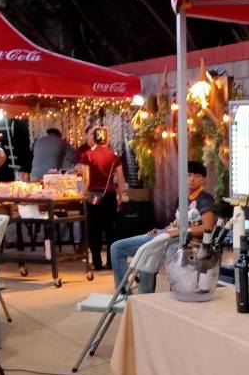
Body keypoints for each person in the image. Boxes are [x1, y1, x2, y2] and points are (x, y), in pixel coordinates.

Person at [109, 160, 216, 293]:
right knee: (123, 249)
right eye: (188, 175)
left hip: (182, 242)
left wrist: (181, 231)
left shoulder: (204, 199)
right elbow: (177, 223)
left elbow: (208, 228)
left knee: (120, 248)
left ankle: (128, 294)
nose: (192, 179)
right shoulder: (183, 198)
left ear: (204, 180)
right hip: (167, 236)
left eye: (197, 176)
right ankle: (139, 294)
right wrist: (163, 229)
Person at [76, 126, 125, 270]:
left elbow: (86, 179)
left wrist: (82, 193)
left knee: (94, 230)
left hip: (92, 196)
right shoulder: (114, 156)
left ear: (94, 139)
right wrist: (120, 197)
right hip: (109, 195)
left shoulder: (87, 155)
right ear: (107, 139)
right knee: (110, 230)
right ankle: (111, 262)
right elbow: (120, 179)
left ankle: (97, 263)